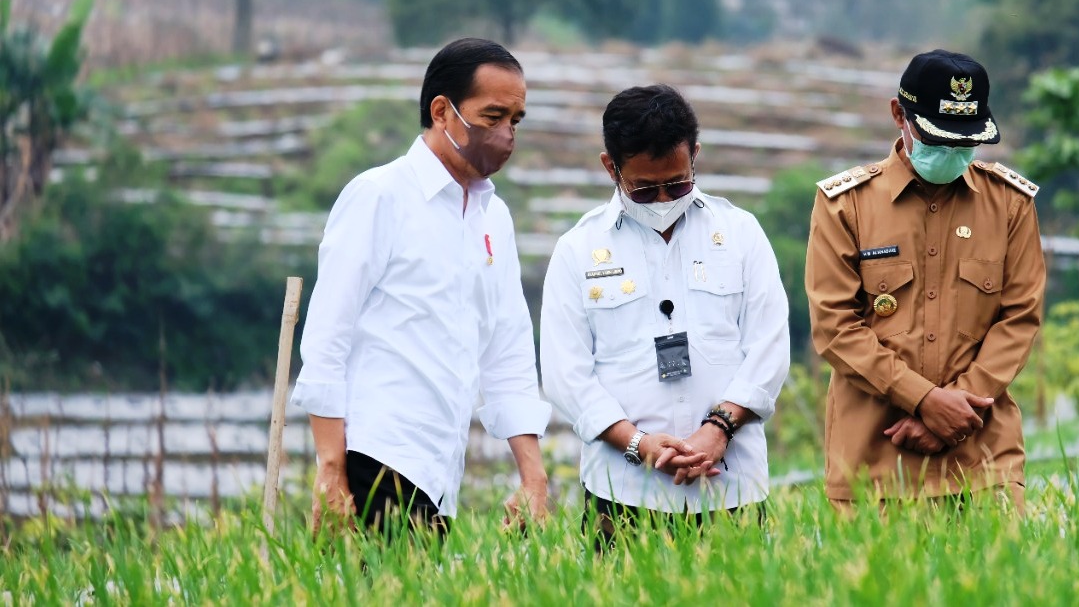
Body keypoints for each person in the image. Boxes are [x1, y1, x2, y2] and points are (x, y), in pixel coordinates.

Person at [290, 37, 551, 538]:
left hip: (439, 467)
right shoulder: (380, 196)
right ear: (441, 111)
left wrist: (533, 474)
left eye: (515, 121)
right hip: (376, 453)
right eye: (492, 116)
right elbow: (327, 334)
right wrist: (329, 467)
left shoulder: (493, 216)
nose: (504, 134)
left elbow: (509, 349)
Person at [540, 84, 790, 547]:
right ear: (610, 167)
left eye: (677, 184)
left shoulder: (740, 234)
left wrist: (719, 429)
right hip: (624, 492)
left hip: (730, 485)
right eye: (644, 188)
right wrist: (637, 443)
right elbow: (564, 374)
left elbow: (769, 349)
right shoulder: (577, 250)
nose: (662, 200)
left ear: (695, 155)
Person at [805, 49, 1045, 512]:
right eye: (938, 138)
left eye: (964, 141)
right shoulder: (844, 205)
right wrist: (923, 401)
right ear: (900, 114)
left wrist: (954, 408)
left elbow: (1019, 320)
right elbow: (835, 329)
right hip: (873, 469)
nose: (952, 153)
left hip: (983, 464)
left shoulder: (1010, 204)